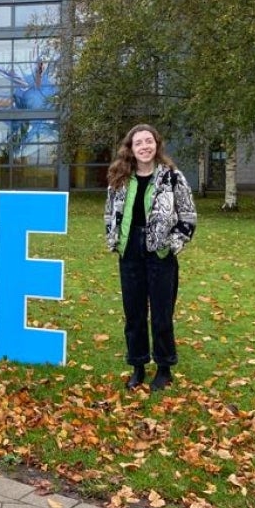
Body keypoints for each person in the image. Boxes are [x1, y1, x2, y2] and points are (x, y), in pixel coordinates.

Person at [103, 124, 197, 391]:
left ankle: (164, 368)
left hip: (160, 252)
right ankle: (138, 366)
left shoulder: (172, 177)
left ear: (157, 144)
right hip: (130, 249)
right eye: (138, 143)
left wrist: (174, 243)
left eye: (149, 141)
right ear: (130, 149)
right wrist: (113, 238)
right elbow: (110, 213)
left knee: (161, 314)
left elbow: (188, 216)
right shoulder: (120, 177)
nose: (144, 146)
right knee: (133, 312)